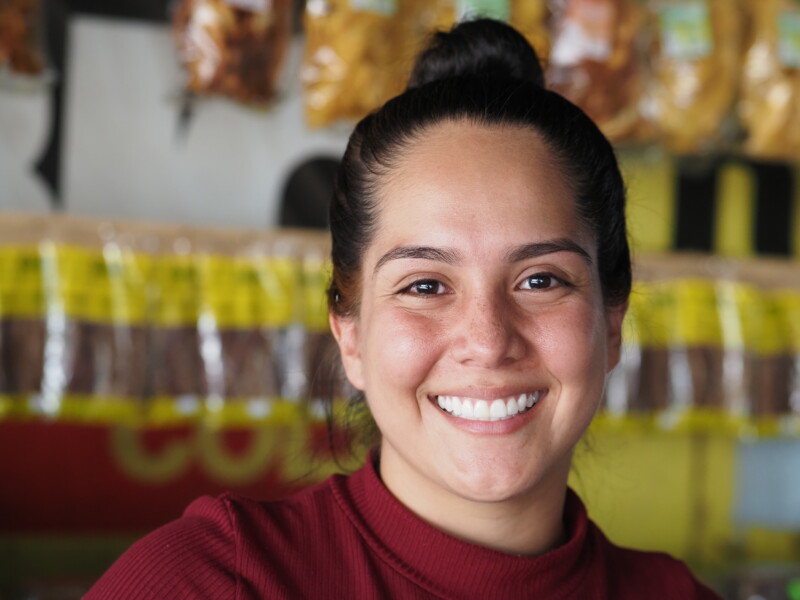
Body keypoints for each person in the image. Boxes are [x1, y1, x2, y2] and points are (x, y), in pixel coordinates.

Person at [85, 18, 721, 599]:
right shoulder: (210, 582)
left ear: (611, 322)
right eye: (425, 286)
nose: (487, 339)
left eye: (540, 280)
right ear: (350, 332)